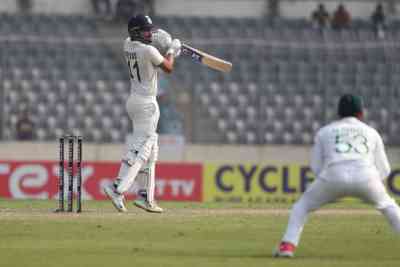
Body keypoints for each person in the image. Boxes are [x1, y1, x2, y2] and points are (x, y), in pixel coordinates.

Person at [274, 94, 400, 258]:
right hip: (367, 176)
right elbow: (385, 169)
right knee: (389, 206)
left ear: (338, 113)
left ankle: (287, 246)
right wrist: (372, 182)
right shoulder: (371, 132)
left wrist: (329, 182)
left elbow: (316, 167)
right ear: (361, 113)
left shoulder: (324, 132)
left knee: (301, 206)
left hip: (333, 174)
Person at [103, 14, 181, 213]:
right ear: (136, 32)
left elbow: (152, 49)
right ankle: (117, 188)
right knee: (141, 150)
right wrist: (172, 49)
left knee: (151, 152)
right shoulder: (148, 50)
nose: (150, 33)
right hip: (146, 105)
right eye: (146, 30)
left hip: (134, 101)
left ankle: (146, 197)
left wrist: (161, 40)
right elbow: (169, 67)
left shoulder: (127, 44)